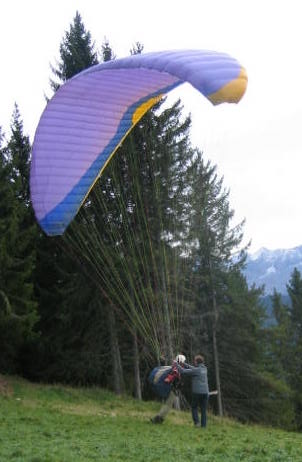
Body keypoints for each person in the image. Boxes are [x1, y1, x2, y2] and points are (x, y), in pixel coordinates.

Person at [150, 354, 186, 424]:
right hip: (172, 390)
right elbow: (170, 378)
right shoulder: (177, 369)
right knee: (168, 405)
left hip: (169, 389)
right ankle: (158, 419)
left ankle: (159, 418)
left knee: (167, 405)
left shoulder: (173, 367)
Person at [177, 354, 209, 428]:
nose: (194, 362)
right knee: (203, 410)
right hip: (205, 393)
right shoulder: (205, 369)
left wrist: (176, 364)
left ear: (197, 362)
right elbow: (192, 368)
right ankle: (203, 426)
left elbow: (183, 371)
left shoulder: (196, 370)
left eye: (194, 361)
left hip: (197, 392)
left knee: (194, 407)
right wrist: (183, 364)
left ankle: (197, 423)